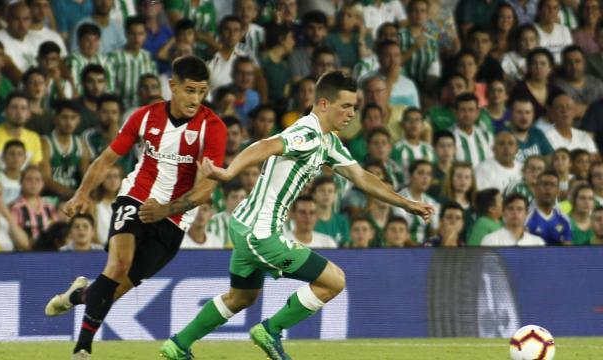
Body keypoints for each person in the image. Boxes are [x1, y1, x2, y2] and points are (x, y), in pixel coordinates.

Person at [159, 71, 434, 360]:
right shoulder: (308, 133)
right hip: (261, 234)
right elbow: (264, 146)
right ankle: (271, 330)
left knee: (241, 297)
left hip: (245, 226)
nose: (352, 113)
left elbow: (361, 177)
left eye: (354, 107)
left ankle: (177, 345)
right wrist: (229, 172)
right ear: (324, 104)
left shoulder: (328, 141)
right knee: (334, 280)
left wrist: (405, 203)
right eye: (346, 106)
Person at [44, 56, 227, 359]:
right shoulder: (144, 116)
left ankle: (79, 296)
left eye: (202, 91)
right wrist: (81, 195)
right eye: (190, 90)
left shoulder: (213, 128)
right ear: (172, 86)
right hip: (136, 197)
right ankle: (82, 349)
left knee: (114, 290)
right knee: (117, 266)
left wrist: (166, 210)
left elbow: (207, 188)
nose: (196, 99)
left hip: (174, 219)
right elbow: (106, 159)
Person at [40, 100, 90, 200]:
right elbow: (45, 180)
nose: (69, 122)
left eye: (73, 117)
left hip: (74, 196)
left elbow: (86, 178)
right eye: (64, 117)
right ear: (55, 119)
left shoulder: (81, 144)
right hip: (50, 197)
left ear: (78, 120)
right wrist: (72, 194)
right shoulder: (45, 143)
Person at [0, 91, 43, 168]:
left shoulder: (34, 138)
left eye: (23, 108)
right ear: (5, 111)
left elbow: (34, 170)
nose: (19, 112)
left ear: (28, 114)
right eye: (14, 107)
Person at [108, 16, 157, 109]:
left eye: (140, 34)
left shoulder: (149, 57)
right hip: (120, 108)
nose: (136, 38)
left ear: (146, 35)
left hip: (145, 107)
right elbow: (109, 88)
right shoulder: (114, 57)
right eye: (132, 34)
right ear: (126, 34)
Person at [392, 160, 440, 244]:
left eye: (429, 174)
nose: (425, 177)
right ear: (410, 176)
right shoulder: (399, 199)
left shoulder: (432, 203)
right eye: (421, 173)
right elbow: (399, 232)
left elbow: (434, 233)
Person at [11, 165, 57, 243]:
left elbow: (56, 231)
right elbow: (14, 234)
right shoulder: (16, 207)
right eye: (29, 179)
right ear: (21, 183)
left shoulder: (49, 207)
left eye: (37, 180)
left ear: (43, 184)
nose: (33, 183)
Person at [390, 108, 435, 186]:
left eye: (417, 120)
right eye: (409, 120)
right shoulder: (395, 149)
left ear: (423, 125)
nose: (413, 124)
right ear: (402, 124)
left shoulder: (429, 149)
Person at [526, 170, 572, 245]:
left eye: (552, 185)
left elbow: (567, 251)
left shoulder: (564, 220)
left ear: (558, 192)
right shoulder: (526, 217)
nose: (548, 188)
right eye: (544, 184)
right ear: (535, 189)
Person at [482, 193, 546, 246]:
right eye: (510, 209)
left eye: (519, 209)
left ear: (526, 214)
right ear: (503, 212)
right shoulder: (490, 240)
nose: (515, 212)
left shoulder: (537, 243)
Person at [451, 93, 494, 166]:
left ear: (477, 113)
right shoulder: (449, 136)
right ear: (455, 112)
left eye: (471, 110)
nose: (467, 114)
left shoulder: (487, 136)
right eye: (463, 110)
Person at [508, 97, 553, 163]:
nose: (524, 117)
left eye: (528, 112)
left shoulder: (537, 133)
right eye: (519, 112)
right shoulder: (503, 136)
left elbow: (550, 158)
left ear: (533, 115)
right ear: (511, 114)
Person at [312, 176, 351, 247]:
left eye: (330, 191)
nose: (326, 194)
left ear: (335, 195)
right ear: (314, 195)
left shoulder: (342, 221)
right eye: (322, 190)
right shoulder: (307, 220)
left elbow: (346, 249)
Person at [207, 182, 247, 248]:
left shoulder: (253, 222)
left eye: (242, 197)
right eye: (234, 197)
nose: (239, 201)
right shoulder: (212, 221)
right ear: (225, 200)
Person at [90, 165, 123, 245]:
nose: (112, 181)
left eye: (116, 176)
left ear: (121, 180)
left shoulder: (126, 203)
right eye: (108, 177)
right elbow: (92, 233)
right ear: (101, 180)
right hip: (100, 250)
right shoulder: (93, 204)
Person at [0, 140, 26, 205]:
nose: (15, 157)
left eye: (19, 154)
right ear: (3, 157)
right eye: (11, 154)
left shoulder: (29, 179)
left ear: (25, 158)